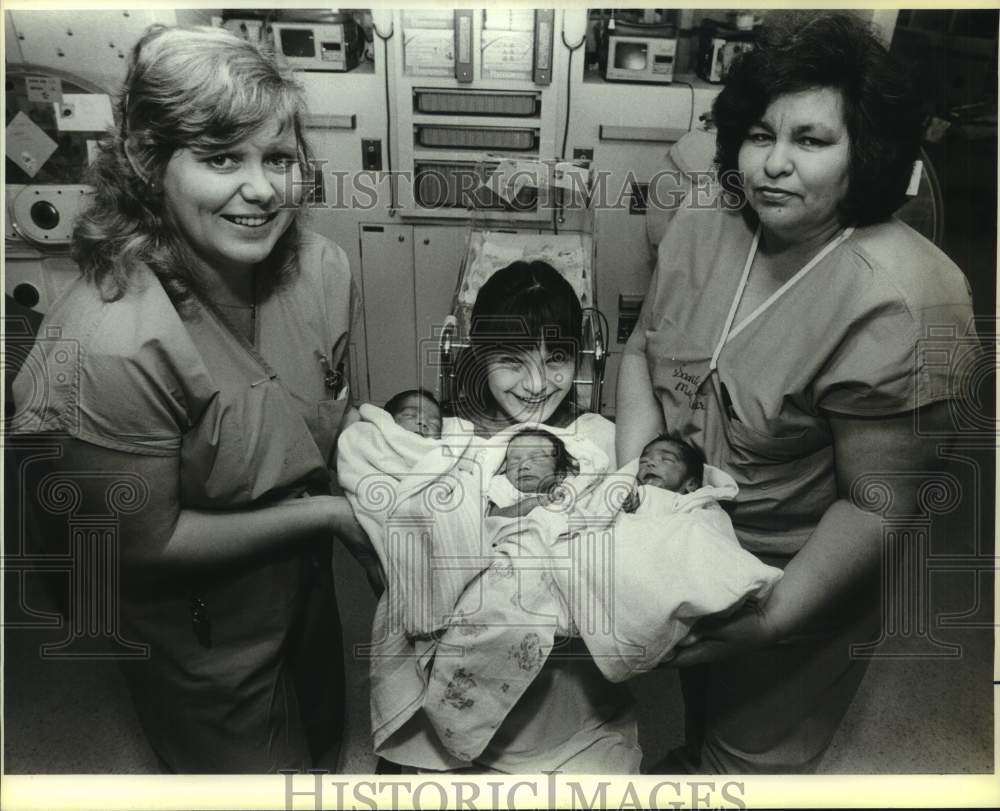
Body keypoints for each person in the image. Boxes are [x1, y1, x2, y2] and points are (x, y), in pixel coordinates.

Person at [616, 12, 977, 773]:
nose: (772, 164)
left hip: (792, 586)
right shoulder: (702, 218)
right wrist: (637, 503)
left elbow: (876, 506)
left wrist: (767, 622)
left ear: (864, 153)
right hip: (684, 549)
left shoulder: (907, 300)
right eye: (759, 134)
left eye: (810, 140)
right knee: (697, 709)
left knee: (747, 755)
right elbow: (644, 347)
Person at [10, 24, 376, 773]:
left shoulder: (322, 269)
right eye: (220, 158)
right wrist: (331, 514)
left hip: (305, 586)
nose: (262, 188)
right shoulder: (112, 339)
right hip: (204, 627)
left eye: (278, 157)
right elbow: (146, 542)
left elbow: (333, 412)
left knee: (326, 743)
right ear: (150, 166)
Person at [375, 260, 641, 773]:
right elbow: (399, 547)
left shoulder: (600, 442)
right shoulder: (447, 441)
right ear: (478, 355)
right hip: (452, 696)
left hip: (567, 715)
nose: (538, 382)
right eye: (514, 360)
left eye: (556, 357)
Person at [486, 427, 580, 518]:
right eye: (514, 462)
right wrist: (530, 504)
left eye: (536, 459)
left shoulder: (567, 486)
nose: (523, 466)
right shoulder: (503, 485)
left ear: (560, 474)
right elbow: (493, 517)